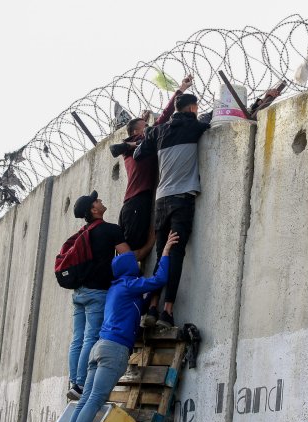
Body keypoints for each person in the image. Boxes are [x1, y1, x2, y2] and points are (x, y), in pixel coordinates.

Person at [56, 231, 179, 422]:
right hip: (114, 350)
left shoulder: (117, 289)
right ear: (129, 268)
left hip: (99, 348)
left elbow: (137, 310)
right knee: (95, 399)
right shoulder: (130, 284)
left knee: (86, 399)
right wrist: (165, 252)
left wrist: (149, 299)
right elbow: (160, 279)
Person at [133, 84, 211, 329]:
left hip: (161, 200)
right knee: (175, 253)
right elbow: (215, 121)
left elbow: (137, 155)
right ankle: (168, 311)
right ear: (192, 108)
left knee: (161, 253)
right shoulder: (194, 125)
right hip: (181, 200)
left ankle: (153, 307)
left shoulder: (157, 132)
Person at [109, 75, 195, 262]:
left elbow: (162, 118)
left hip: (136, 202)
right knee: (133, 254)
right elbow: (163, 118)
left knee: (130, 253)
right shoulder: (129, 146)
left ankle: (133, 284)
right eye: (145, 126)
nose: (149, 128)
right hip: (136, 202)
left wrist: (181, 88)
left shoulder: (137, 143)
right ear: (135, 132)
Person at [67, 191, 130, 400]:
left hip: (79, 293)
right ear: (94, 210)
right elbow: (128, 256)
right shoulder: (111, 230)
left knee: (78, 338)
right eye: (97, 200)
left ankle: (74, 381)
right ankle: (82, 384)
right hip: (97, 293)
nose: (101, 200)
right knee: (91, 337)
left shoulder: (81, 234)